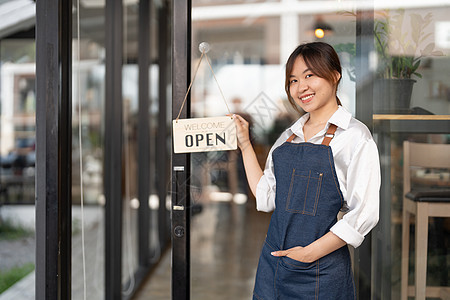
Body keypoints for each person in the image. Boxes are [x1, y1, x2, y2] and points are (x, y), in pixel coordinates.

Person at [233, 42, 380, 299]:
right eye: (293, 80)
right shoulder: (287, 137)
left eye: (309, 75)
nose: (301, 87)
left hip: (321, 272)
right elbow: (266, 196)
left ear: (335, 75)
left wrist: (309, 254)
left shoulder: (355, 137)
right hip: (273, 267)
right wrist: (245, 144)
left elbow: (364, 213)